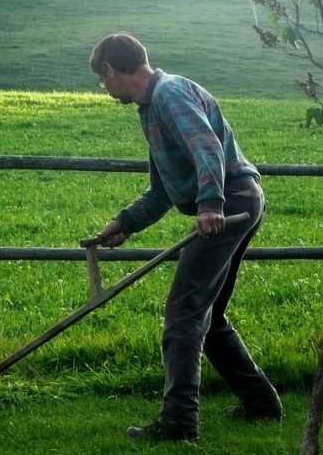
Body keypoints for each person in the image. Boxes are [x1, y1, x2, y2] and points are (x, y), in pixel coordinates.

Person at [90, 33, 282, 442]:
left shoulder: (170, 95)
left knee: (183, 313)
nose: (103, 88)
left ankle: (178, 423)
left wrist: (211, 205)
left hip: (229, 202)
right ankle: (262, 404)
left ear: (110, 70)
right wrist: (125, 222)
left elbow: (207, 149)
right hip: (236, 199)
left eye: (101, 79)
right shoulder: (152, 108)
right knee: (207, 318)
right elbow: (162, 189)